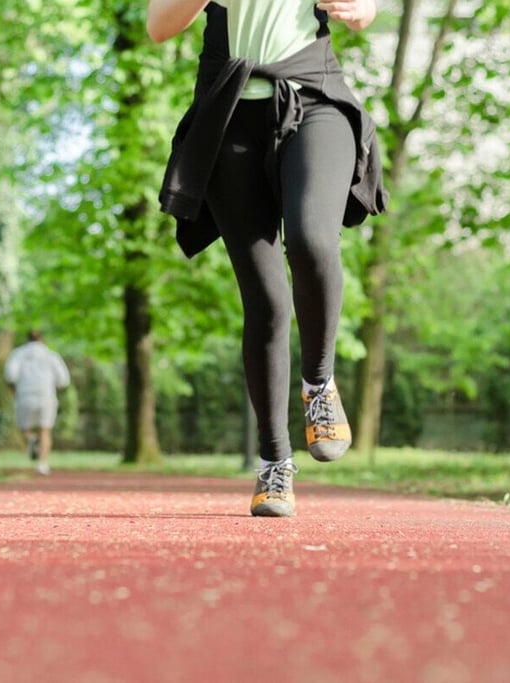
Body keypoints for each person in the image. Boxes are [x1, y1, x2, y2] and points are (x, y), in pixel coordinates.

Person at [147, 1, 388, 517]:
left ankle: (318, 384)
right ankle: (274, 463)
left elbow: (366, 11)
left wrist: (361, 7)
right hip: (229, 113)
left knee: (311, 239)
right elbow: (158, 27)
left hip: (313, 99)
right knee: (267, 302)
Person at [3, 330, 71, 475]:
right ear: (42, 339)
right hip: (46, 395)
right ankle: (42, 464)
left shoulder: (18, 354)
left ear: (27, 339)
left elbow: (10, 376)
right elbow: (63, 380)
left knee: (24, 427)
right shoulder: (51, 355)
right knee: (45, 430)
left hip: (25, 395)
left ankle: (31, 439)